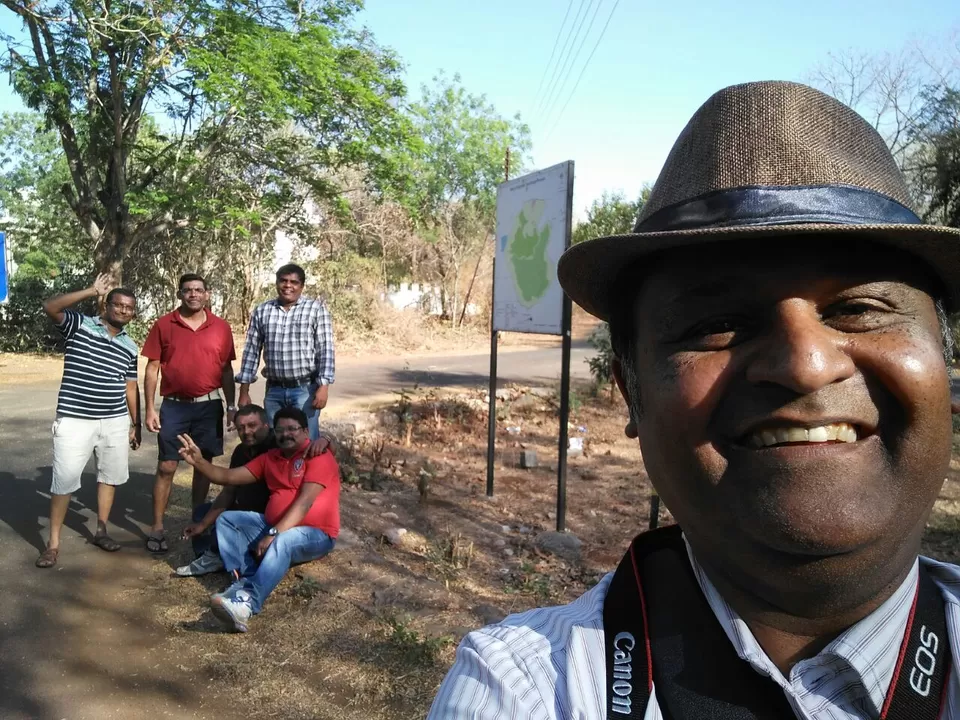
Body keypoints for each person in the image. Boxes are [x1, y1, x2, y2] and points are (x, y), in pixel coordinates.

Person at [428, 81, 960, 719]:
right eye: (717, 324)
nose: (805, 364)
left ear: (944, 367)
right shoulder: (523, 691)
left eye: (859, 309)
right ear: (632, 393)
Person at [177, 407, 340, 633]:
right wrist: (199, 462)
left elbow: (304, 503)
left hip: (316, 533)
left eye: (292, 429)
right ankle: (243, 582)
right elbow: (227, 478)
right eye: (281, 430)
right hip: (272, 524)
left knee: (285, 540)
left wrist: (274, 533)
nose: (286, 434)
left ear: (305, 431)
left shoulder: (317, 455)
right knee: (227, 520)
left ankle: (247, 603)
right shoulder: (270, 458)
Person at [36, 274, 142, 569]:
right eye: (118, 305)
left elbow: (130, 386)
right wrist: (91, 290)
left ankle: (101, 530)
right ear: (106, 305)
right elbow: (50, 306)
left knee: (109, 477)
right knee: (64, 481)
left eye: (128, 308)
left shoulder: (131, 347)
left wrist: (137, 423)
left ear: (133, 313)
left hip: (114, 421)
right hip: (75, 420)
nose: (122, 310)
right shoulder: (80, 325)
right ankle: (53, 544)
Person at [141, 273, 236, 554]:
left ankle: (198, 517)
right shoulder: (163, 324)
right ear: (180, 294)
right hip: (174, 406)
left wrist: (230, 406)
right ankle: (157, 526)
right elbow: (152, 368)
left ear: (207, 294)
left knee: (202, 463)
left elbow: (226, 370)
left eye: (198, 290)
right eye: (187, 290)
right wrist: (149, 408)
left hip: (209, 406)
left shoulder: (221, 327)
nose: (193, 294)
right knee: (166, 466)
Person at [236, 263, 334, 441]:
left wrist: (323, 387)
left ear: (301, 286)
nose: (288, 285)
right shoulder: (263, 311)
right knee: (275, 442)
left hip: (305, 390)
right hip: (274, 391)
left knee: (306, 441)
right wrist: (244, 391)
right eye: (283, 281)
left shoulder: (315, 310)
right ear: (277, 283)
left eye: (294, 282)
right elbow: (251, 352)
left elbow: (325, 350)